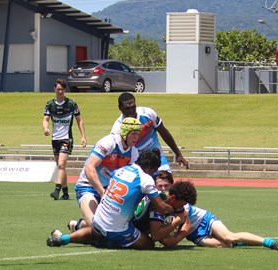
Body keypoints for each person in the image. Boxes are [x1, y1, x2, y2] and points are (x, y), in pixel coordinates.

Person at [47, 149, 183, 249]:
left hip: (98, 218)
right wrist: (175, 211)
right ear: (149, 167)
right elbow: (160, 207)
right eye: (154, 170)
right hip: (117, 227)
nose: (153, 174)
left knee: (97, 229)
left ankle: (64, 238)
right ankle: (105, 241)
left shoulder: (121, 170)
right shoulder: (145, 179)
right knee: (148, 244)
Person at [148, 172, 278, 251]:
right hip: (195, 236)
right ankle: (240, 242)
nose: (163, 188)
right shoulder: (158, 201)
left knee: (228, 237)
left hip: (205, 219)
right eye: (160, 185)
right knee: (225, 245)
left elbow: (187, 224)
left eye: (166, 185)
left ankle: (269, 243)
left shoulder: (183, 205)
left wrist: (176, 239)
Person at [72, 117, 149, 228]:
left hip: (111, 191)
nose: (136, 137)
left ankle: (79, 226)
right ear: (124, 132)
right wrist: (102, 193)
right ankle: (81, 225)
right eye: (133, 134)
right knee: (95, 225)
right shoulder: (108, 142)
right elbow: (89, 167)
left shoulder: (133, 152)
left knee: (112, 227)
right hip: (88, 187)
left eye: (138, 134)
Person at [110, 92, 189, 171]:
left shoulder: (148, 113)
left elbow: (164, 132)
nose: (131, 111)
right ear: (120, 108)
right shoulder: (117, 129)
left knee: (165, 181)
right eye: (127, 108)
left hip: (157, 157)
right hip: (136, 164)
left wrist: (178, 154)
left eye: (133, 107)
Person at [43, 78, 86, 200]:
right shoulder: (50, 104)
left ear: (65, 90)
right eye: (58, 89)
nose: (60, 92)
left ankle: (57, 190)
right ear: (54, 90)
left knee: (61, 164)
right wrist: (45, 128)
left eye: (62, 89)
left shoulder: (72, 104)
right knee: (60, 166)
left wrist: (83, 136)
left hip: (67, 139)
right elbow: (45, 119)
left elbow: (79, 120)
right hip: (55, 139)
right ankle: (66, 193)